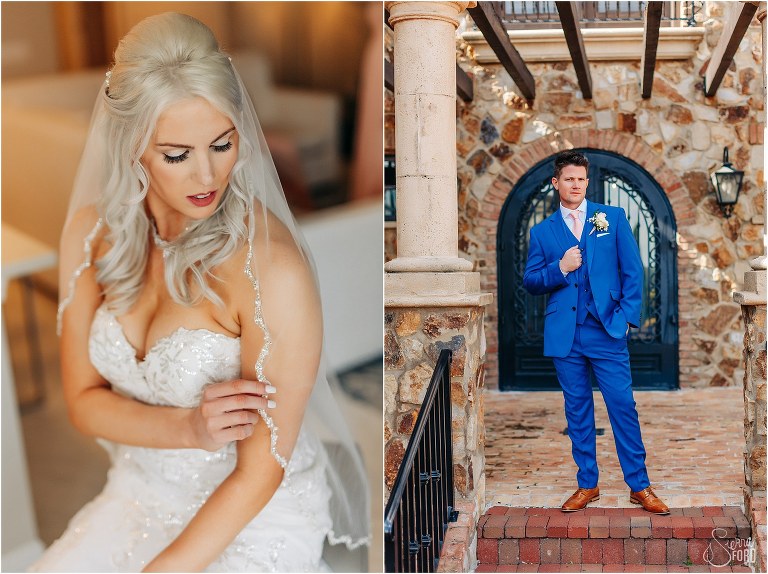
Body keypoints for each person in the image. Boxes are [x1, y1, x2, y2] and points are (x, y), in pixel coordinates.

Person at [31, 12, 369, 572]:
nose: (208, 176)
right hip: (140, 489)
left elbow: (262, 468)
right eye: (177, 154)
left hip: (253, 512)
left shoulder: (272, 270)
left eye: (222, 143)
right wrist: (187, 427)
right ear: (132, 144)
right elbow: (83, 403)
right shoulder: (90, 235)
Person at [522, 150, 668, 515]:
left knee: (623, 406)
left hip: (607, 330)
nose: (576, 185)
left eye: (581, 179)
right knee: (577, 411)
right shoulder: (542, 232)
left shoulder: (611, 218)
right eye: (569, 179)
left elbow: (634, 273)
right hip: (565, 335)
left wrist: (624, 319)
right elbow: (531, 281)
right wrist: (560, 267)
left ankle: (640, 485)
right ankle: (587, 484)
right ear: (556, 183)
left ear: (587, 182)